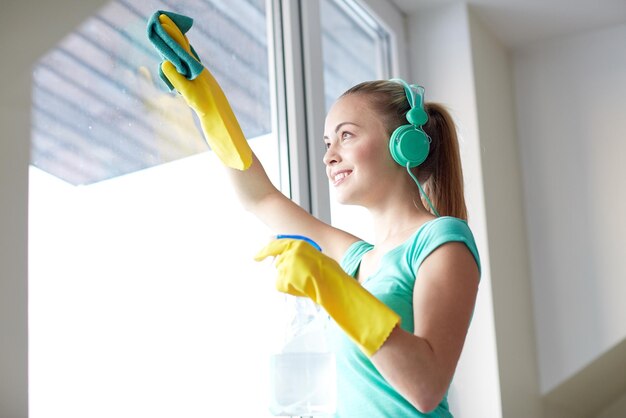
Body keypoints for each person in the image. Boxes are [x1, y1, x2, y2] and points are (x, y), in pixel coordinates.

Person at [149, 11, 480, 418]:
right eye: (327, 141)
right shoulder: (359, 258)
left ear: (403, 145)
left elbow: (426, 387)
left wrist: (331, 286)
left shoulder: (442, 239)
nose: (329, 155)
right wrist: (207, 104)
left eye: (346, 135)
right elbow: (261, 199)